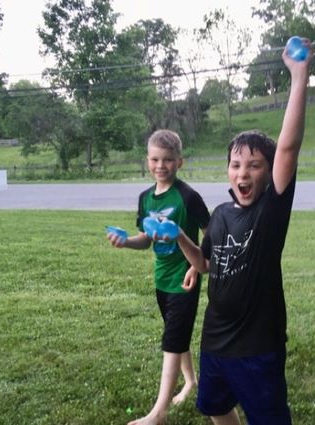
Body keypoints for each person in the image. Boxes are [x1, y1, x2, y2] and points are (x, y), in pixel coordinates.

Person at [175, 40, 314, 425]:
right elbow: (204, 263)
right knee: (216, 407)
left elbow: (287, 148)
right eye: (236, 165)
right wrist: (178, 237)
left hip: (258, 346)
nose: (243, 173)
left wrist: (299, 76)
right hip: (216, 340)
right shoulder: (220, 214)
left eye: (254, 165)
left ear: (269, 174)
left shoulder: (271, 212)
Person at [107, 129, 210, 425]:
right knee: (177, 336)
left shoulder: (188, 197)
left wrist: (196, 264)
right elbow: (145, 239)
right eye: (155, 159)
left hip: (184, 280)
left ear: (180, 162)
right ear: (147, 160)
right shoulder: (145, 198)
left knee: (172, 342)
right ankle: (190, 382)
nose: (160, 165)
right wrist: (125, 241)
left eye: (167, 160)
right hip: (161, 280)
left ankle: (158, 413)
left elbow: (213, 233)